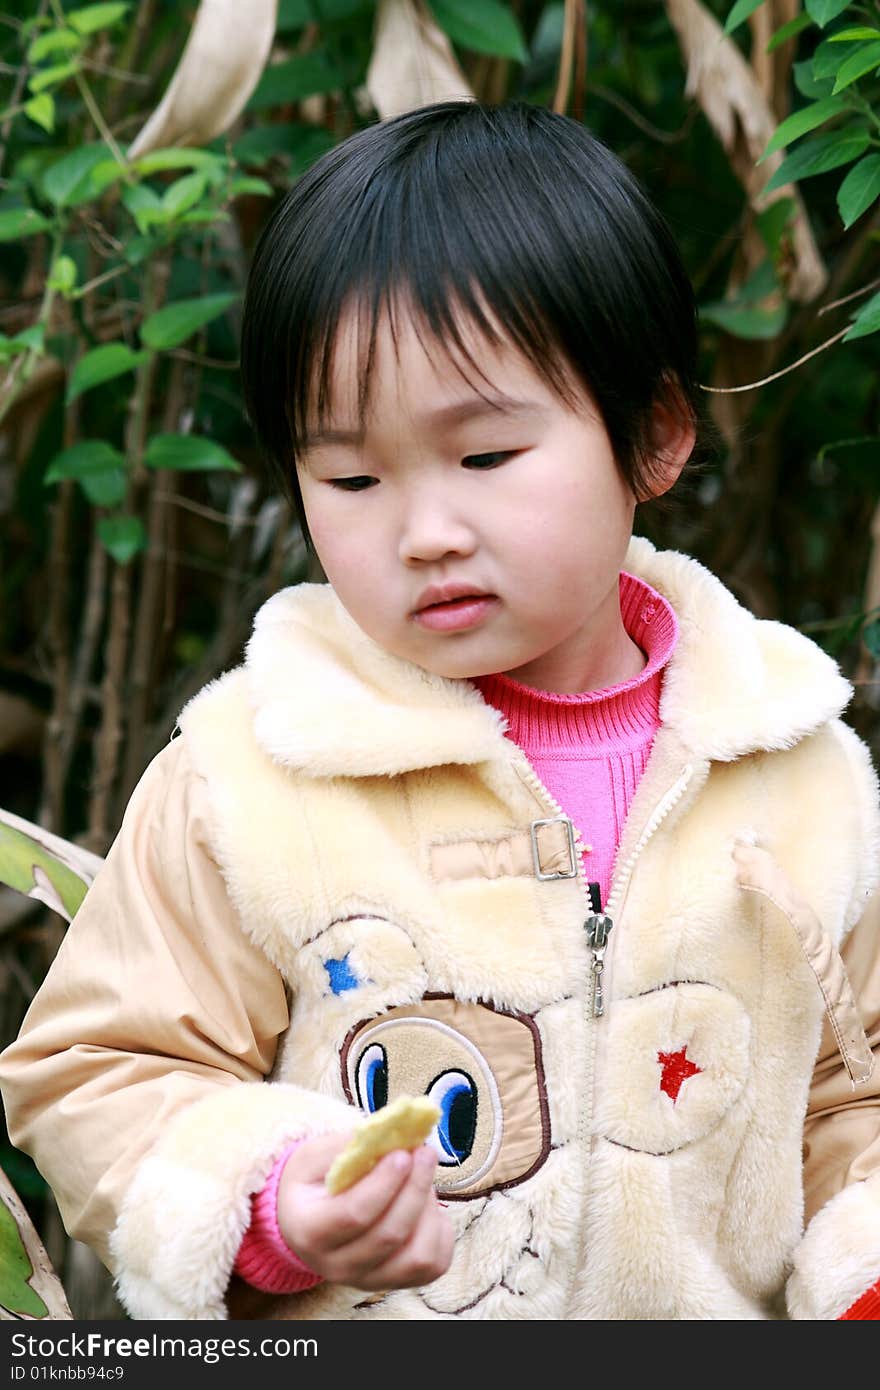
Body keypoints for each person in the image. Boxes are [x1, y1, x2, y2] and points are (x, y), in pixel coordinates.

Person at [1, 98, 879, 1323]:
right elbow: (99, 1067)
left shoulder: (800, 773)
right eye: (351, 476)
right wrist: (273, 1200)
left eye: (483, 459)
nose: (424, 533)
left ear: (655, 434)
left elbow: (851, 1094)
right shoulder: (255, 774)